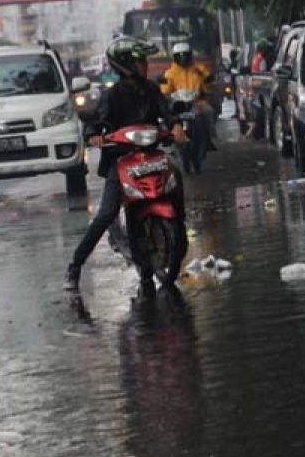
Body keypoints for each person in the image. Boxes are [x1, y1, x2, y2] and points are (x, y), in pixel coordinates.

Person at [63, 39, 185, 291]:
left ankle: (179, 226)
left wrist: (175, 124)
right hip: (120, 161)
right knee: (106, 214)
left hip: (151, 157)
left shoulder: (151, 89)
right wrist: (94, 134)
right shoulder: (112, 95)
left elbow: (168, 110)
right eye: (141, 61)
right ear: (127, 65)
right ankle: (75, 266)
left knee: (177, 178)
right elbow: (95, 121)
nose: (146, 65)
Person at [160, 41, 218, 152]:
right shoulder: (170, 73)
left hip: (197, 102)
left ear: (190, 56)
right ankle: (169, 138)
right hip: (178, 103)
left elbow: (208, 83)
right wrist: (166, 93)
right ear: (175, 57)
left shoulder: (199, 69)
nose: (183, 59)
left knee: (209, 111)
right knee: (166, 117)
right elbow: (166, 90)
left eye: (185, 55)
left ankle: (209, 137)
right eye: (180, 56)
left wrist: (207, 88)